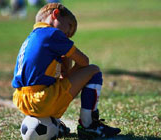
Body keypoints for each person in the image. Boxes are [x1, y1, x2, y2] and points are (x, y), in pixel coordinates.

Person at [12, 3, 121, 139]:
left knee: (61, 83)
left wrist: (65, 64)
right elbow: (84, 61)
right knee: (93, 70)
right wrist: (72, 71)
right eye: (69, 27)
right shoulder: (52, 34)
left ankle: (55, 124)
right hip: (41, 99)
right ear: (55, 14)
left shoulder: (32, 37)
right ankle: (89, 125)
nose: (68, 36)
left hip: (21, 99)